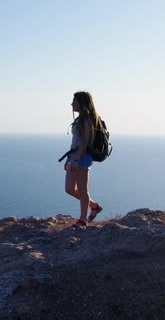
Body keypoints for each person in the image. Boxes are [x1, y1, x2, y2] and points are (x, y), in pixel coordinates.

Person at [64, 91, 103, 228]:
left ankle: (82, 220)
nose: (72, 104)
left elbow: (85, 142)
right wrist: (69, 159)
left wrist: (76, 160)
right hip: (74, 157)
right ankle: (94, 206)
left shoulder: (87, 120)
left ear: (81, 103)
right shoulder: (79, 119)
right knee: (69, 188)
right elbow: (75, 141)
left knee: (82, 190)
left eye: (74, 101)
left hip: (83, 157)